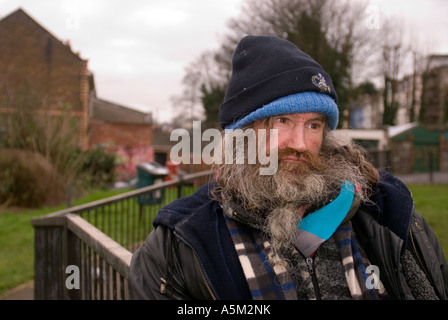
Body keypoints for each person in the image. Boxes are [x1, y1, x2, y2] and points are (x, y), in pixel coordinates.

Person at [129, 35, 448, 300]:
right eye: (282, 121)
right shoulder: (181, 242)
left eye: (313, 125)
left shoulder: (390, 213)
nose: (300, 143)